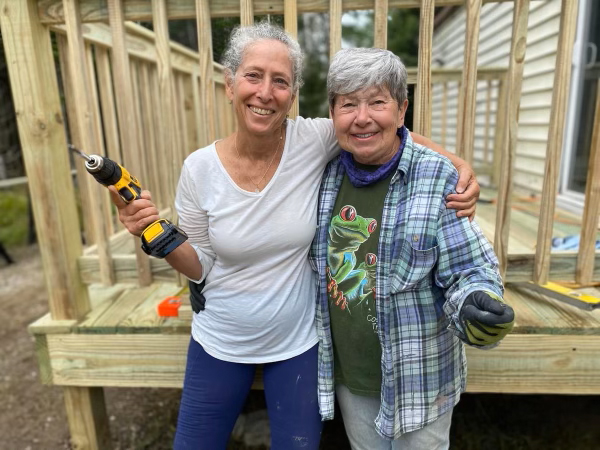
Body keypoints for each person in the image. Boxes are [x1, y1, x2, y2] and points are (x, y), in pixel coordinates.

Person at [109, 23, 480, 450]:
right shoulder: (199, 169)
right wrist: (160, 240)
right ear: (230, 85)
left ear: (292, 94)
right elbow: (201, 265)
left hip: (298, 342)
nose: (265, 92)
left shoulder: (314, 139)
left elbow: (391, 133)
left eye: (280, 81)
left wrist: (457, 165)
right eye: (253, 76)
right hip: (220, 338)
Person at [310, 47, 515, 450]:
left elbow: (467, 268)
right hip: (352, 377)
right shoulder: (325, 172)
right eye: (349, 104)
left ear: (402, 111)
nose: (363, 117)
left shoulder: (437, 175)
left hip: (419, 377)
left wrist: (478, 298)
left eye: (378, 102)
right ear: (333, 114)